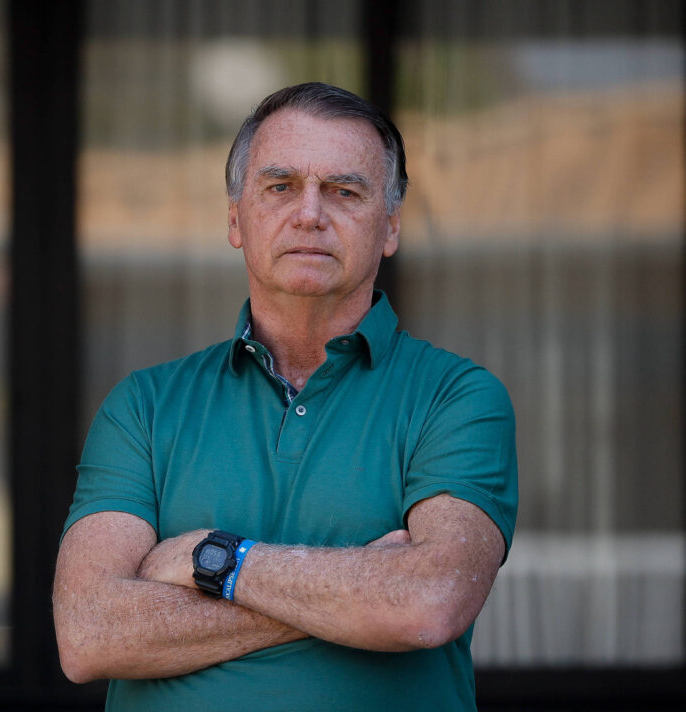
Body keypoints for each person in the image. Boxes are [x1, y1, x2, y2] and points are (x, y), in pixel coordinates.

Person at [53, 82, 517, 712]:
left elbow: (429, 603)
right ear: (234, 219)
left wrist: (210, 559)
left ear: (391, 226)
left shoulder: (457, 398)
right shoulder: (144, 405)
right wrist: (359, 590)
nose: (309, 214)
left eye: (344, 191)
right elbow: (88, 634)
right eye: (280, 187)